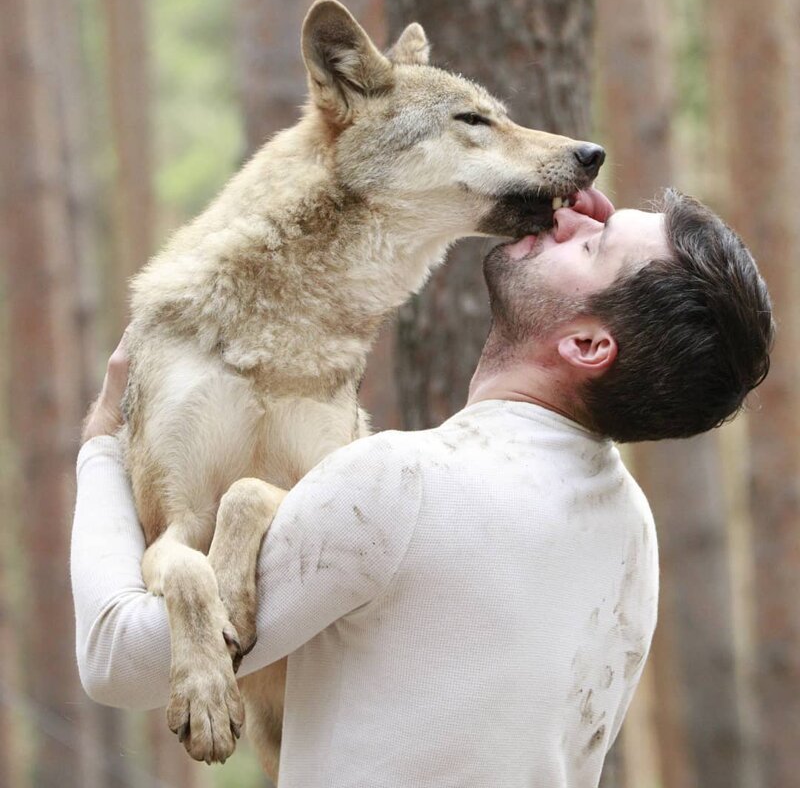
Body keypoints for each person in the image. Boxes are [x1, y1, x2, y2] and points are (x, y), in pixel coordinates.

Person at [72, 188, 773, 787]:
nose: (568, 219)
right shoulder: (631, 533)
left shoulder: (400, 487)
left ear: (587, 346)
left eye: (593, 246)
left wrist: (104, 443)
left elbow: (119, 658)